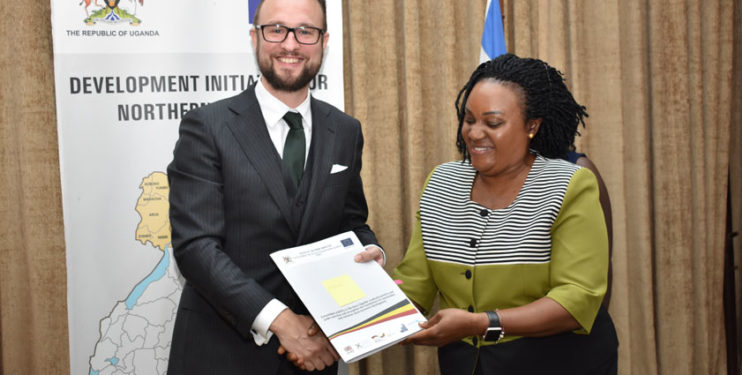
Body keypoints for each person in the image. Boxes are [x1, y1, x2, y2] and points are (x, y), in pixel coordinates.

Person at [166, 0, 383, 373]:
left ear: (324, 41)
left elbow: (350, 221)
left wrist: (370, 251)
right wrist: (282, 322)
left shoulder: (346, 131)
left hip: (316, 354)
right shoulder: (208, 127)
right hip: (222, 353)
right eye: (276, 29)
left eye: (305, 31)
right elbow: (195, 247)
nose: (290, 44)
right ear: (255, 37)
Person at [392, 54, 618, 374]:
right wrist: (356, 312)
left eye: (492, 122)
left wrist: (481, 323)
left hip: (557, 362)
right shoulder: (441, 182)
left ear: (532, 126)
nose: (474, 133)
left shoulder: (569, 185)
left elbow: (576, 300)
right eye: (469, 119)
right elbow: (414, 282)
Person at [566, 150, 614, 309]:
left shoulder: (577, 171)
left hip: (564, 327)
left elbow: (600, 272)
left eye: (494, 124)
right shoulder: (489, 171)